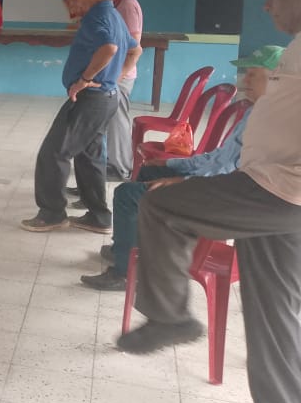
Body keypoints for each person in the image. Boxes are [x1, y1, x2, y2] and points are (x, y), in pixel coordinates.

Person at [118, 0, 301, 403]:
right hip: (271, 185)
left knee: (161, 205)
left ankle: (170, 318)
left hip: (281, 189)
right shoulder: (295, 46)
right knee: (273, 304)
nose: (267, 7)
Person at [80, 44, 282, 291]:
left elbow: (233, 176)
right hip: (211, 181)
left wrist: (184, 182)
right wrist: (172, 164)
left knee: (127, 194)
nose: (245, 80)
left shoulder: (271, 124)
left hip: (220, 196)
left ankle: (125, 273)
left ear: (277, 79)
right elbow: (217, 159)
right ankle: (129, 248)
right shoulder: (255, 112)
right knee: (149, 171)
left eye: (253, 74)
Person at [21, 0, 141, 234]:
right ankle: (98, 216)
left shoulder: (98, 16)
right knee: (90, 156)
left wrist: (85, 79)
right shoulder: (113, 14)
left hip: (92, 98)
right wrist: (116, 78)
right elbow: (136, 50)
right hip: (105, 97)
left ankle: (52, 213)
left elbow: (109, 47)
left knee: (54, 152)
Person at [106, 0, 144, 181]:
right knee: (111, 122)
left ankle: (120, 168)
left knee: (118, 122)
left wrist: (117, 76)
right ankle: (112, 162)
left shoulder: (128, 6)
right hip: (114, 75)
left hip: (119, 77)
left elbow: (133, 48)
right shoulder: (118, 3)